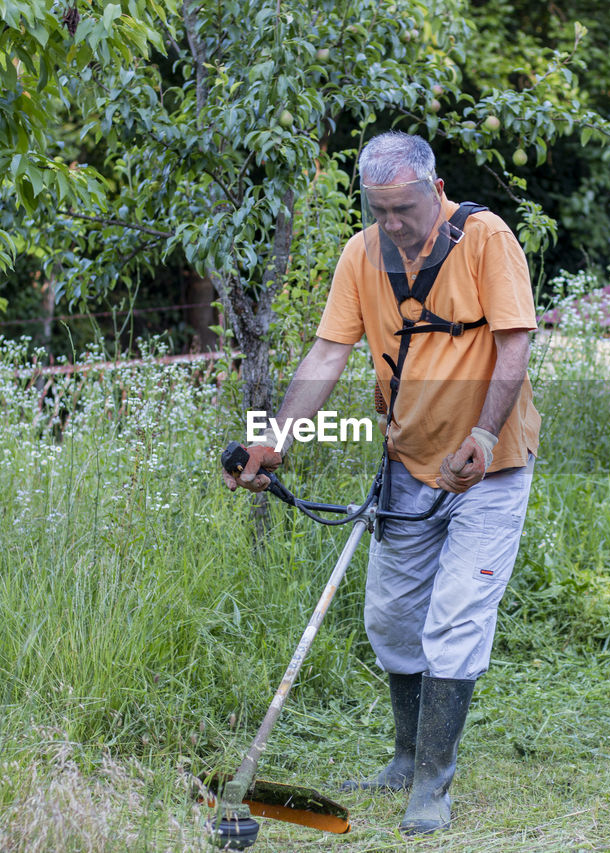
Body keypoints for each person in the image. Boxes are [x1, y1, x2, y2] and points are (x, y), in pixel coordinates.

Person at [221, 131, 539, 835]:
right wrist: (275, 439)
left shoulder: (487, 239)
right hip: (408, 462)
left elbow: (516, 340)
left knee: (454, 617)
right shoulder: (361, 255)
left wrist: (484, 435)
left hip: (491, 465)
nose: (390, 223)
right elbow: (328, 351)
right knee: (392, 619)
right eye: (378, 209)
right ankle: (402, 756)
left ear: (435, 187)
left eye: (401, 208)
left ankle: (432, 783)